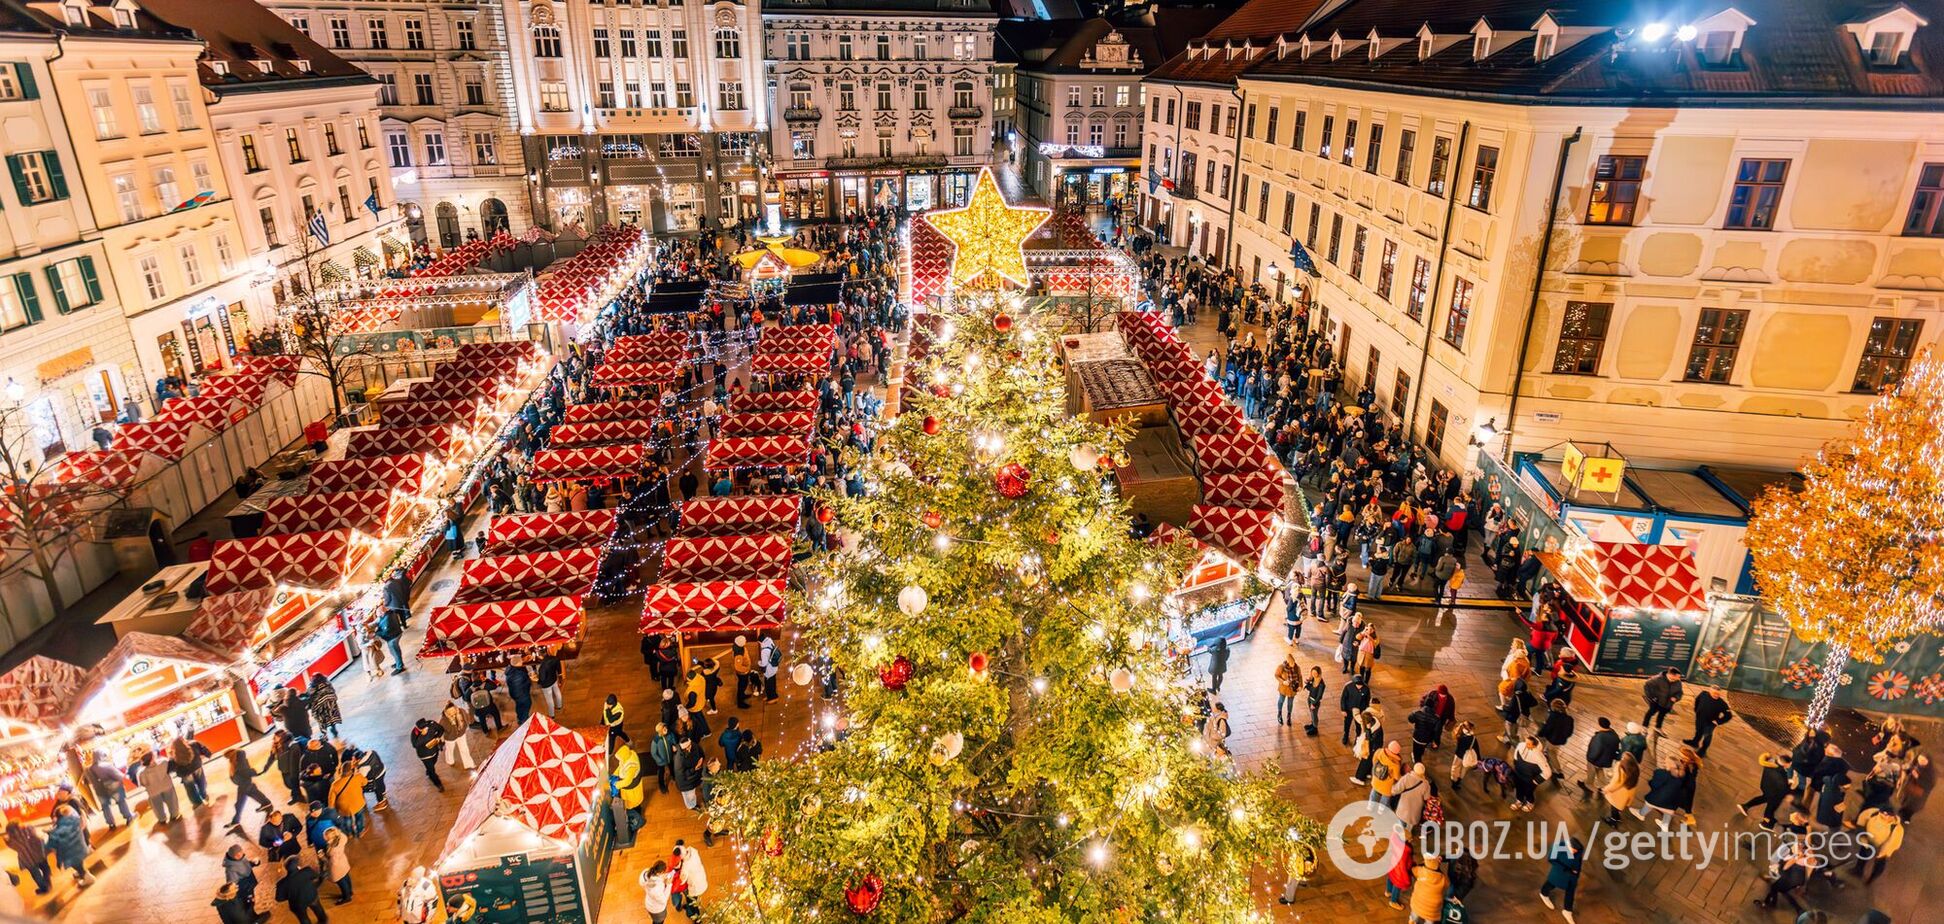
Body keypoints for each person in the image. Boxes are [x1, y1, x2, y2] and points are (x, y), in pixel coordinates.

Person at [1847, 806, 1904, 883]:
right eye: (1884, 813)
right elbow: (1863, 818)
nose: (1886, 816)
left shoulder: (1897, 828)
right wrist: (1863, 837)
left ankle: (1872, 879)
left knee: (1879, 865)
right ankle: (1858, 871)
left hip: (1881, 849)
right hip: (1868, 842)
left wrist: (1882, 853)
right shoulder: (1873, 813)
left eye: (1889, 815)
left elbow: (1893, 842)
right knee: (1862, 856)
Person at [1738, 752, 1794, 829]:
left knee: (1763, 798)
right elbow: (1783, 789)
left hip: (1766, 786)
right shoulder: (1781, 773)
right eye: (1790, 764)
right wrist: (1789, 784)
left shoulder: (1771, 763)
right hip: (1773, 793)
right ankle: (1766, 823)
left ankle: (1746, 806)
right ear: (1786, 764)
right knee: (1770, 808)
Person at [1538, 836, 1584, 922]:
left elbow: (1579, 860)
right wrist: (1566, 869)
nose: (1575, 852)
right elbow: (1551, 859)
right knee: (1552, 883)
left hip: (1572, 876)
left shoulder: (1579, 850)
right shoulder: (1558, 847)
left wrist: (1577, 872)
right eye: (1573, 850)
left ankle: (1567, 911)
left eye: (1576, 851)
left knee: (1570, 892)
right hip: (1560, 872)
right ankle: (1544, 893)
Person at [46, 804, 93, 887]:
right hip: (80, 849)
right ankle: (81, 872)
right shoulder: (74, 821)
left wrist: (49, 832)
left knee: (77, 865)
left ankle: (87, 877)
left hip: (72, 853)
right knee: (79, 863)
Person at [86, 751, 134, 829]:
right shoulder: (106, 765)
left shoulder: (88, 769)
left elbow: (89, 781)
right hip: (112, 786)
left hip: (99, 789)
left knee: (105, 807)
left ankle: (111, 823)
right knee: (121, 801)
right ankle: (128, 817)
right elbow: (119, 776)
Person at [275, 855, 329, 924]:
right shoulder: (307, 871)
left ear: (286, 869)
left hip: (297, 904)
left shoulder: (282, 884)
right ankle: (323, 921)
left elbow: (279, 899)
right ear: (298, 865)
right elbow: (316, 876)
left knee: (303, 919)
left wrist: (289, 894)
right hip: (311, 896)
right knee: (318, 910)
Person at [5, 820, 51, 894]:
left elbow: (12, 846)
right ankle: (47, 881)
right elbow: (38, 839)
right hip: (37, 854)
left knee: (36, 875)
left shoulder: (10, 839)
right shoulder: (28, 829)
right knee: (45, 868)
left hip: (26, 859)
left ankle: (44, 888)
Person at [1580, 717, 1620, 800]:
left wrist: (1590, 758)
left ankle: (1588, 784)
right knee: (1600, 771)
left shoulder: (1599, 737)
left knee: (1591, 772)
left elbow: (1595, 751)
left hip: (1596, 760)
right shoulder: (1614, 734)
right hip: (1606, 760)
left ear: (1600, 725)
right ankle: (1604, 786)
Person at [136, 751, 181, 824]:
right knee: (172, 801)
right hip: (167, 786)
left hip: (153, 791)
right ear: (153, 757)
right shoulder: (163, 762)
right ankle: (174, 815)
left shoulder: (140, 772)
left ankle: (162, 819)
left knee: (157, 806)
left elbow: (142, 783)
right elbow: (170, 769)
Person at [1686, 687, 1732, 757]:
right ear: (1710, 691)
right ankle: (1695, 742)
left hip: (1710, 723)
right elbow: (1697, 700)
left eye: (1718, 694)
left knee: (1707, 736)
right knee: (1698, 731)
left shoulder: (1722, 703)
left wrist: (1718, 721)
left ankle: (1703, 751)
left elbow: (1729, 715)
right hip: (1700, 718)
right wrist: (1696, 710)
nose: (1716, 695)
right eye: (1714, 693)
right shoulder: (1703, 694)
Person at [1537, 700, 1575, 783]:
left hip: (1553, 740)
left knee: (1552, 754)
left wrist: (1540, 733)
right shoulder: (1569, 718)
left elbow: (1547, 728)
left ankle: (1558, 771)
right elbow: (1570, 732)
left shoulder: (1553, 716)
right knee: (1553, 750)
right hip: (1561, 740)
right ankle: (1547, 754)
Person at [670, 839, 708, 919]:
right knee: (694, 900)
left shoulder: (685, 867)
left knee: (692, 902)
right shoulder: (693, 851)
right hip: (702, 879)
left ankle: (696, 917)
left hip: (695, 887)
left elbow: (682, 880)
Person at [1602, 752, 1642, 825]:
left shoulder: (1621, 769)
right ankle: (1617, 816)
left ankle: (1614, 821)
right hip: (1628, 791)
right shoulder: (1635, 768)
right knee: (1618, 806)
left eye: (1623, 758)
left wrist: (1606, 789)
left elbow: (1616, 783)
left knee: (1614, 807)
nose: (1621, 758)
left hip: (1619, 793)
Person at [1408, 853, 1447, 924]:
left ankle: (1412, 921)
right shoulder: (1442, 877)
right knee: (1429, 920)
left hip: (1418, 902)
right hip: (1432, 908)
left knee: (1415, 913)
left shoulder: (1420, 870)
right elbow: (1447, 884)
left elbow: (1412, 869)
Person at [1641, 667, 1683, 732]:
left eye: (1679, 677)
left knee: (1662, 715)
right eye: (1677, 677)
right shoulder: (1657, 679)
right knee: (1650, 713)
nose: (1679, 678)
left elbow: (1680, 692)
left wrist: (1676, 697)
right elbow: (1647, 686)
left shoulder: (1678, 682)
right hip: (1656, 702)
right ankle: (1645, 726)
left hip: (1668, 704)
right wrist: (1652, 697)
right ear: (1671, 675)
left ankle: (1658, 727)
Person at [410, 718, 446, 791]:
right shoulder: (415, 732)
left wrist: (437, 737)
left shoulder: (432, 725)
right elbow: (415, 745)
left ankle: (429, 771)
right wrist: (422, 735)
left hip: (434, 751)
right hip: (425, 755)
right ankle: (438, 784)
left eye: (426, 728)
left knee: (434, 762)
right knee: (432, 770)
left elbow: (441, 729)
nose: (425, 729)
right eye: (422, 729)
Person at [440, 701, 476, 770]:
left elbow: (467, 718)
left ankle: (469, 764)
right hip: (450, 738)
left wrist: (464, 726)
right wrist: (452, 723)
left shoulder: (461, 711)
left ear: (455, 708)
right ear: (446, 711)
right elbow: (442, 730)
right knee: (450, 750)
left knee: (464, 749)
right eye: (450, 712)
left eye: (453, 710)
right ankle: (450, 761)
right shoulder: (444, 720)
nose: (452, 713)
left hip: (461, 734)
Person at [321, 825, 353, 903]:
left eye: (327, 838)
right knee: (346, 877)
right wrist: (336, 830)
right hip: (343, 863)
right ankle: (350, 891)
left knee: (341, 882)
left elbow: (333, 862)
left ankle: (346, 897)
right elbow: (343, 835)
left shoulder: (333, 850)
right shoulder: (341, 840)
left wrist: (323, 857)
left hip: (337, 868)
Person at [375, 604, 408, 674]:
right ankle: (398, 663)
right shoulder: (390, 613)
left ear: (382, 612)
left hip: (393, 637)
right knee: (394, 651)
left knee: (395, 652)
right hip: (396, 633)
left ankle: (400, 667)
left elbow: (385, 632)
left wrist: (376, 633)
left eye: (378, 613)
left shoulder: (387, 619)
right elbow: (379, 621)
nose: (377, 615)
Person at [1339, 674, 1370, 746]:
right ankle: (1345, 735)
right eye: (1357, 685)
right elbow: (1343, 698)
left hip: (1360, 711)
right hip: (1349, 710)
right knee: (1347, 724)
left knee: (1358, 726)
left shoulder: (1366, 689)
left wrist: (1365, 711)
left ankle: (1357, 738)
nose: (1359, 687)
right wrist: (1343, 709)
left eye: (1361, 685)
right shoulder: (1348, 687)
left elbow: (1367, 701)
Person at [1274, 653, 1301, 726]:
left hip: (1293, 689)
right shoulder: (1281, 667)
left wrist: (1300, 686)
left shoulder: (1297, 667)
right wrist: (1283, 681)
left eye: (1293, 662)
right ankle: (1279, 714)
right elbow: (1276, 675)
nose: (1293, 664)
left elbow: (1300, 677)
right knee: (1281, 700)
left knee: (1290, 703)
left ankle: (1289, 716)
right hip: (1284, 688)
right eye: (1291, 663)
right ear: (1288, 661)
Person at [1302, 666, 1326, 736]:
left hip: (1315, 702)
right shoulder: (1313, 679)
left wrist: (1314, 704)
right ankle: (1312, 724)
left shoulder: (1321, 684)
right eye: (1312, 673)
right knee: (1311, 713)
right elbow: (1311, 689)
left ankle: (1315, 728)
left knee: (1314, 714)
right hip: (1310, 699)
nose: (1313, 674)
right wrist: (1307, 683)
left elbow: (1319, 696)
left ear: (1319, 673)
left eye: (1315, 673)